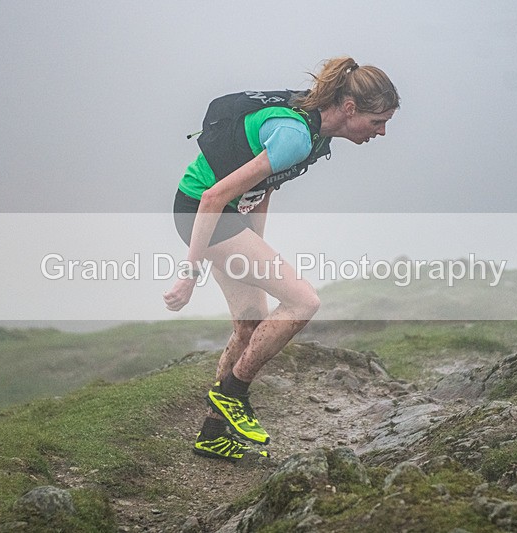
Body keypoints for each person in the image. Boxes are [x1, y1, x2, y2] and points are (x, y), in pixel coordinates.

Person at [164, 56, 400, 463]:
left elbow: (265, 185)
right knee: (304, 301)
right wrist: (189, 272)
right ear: (349, 109)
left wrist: (256, 248)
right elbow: (212, 196)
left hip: (223, 218)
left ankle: (211, 434)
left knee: (251, 322)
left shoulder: (317, 135)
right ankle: (232, 395)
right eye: (378, 121)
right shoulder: (297, 136)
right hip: (204, 214)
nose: (382, 132)